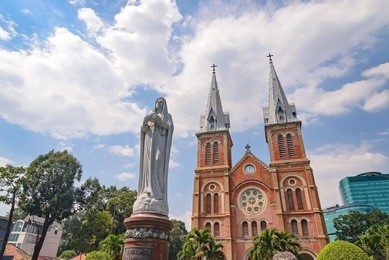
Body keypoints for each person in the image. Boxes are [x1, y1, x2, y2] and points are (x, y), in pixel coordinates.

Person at [133, 97, 174, 216]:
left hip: (160, 142)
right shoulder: (150, 115)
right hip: (149, 144)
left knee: (158, 162)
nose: (159, 103)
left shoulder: (167, 116)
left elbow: (170, 128)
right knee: (148, 166)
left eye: (162, 102)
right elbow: (144, 129)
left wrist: (160, 122)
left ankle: (157, 193)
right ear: (155, 104)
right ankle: (147, 189)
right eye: (158, 101)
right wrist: (145, 122)